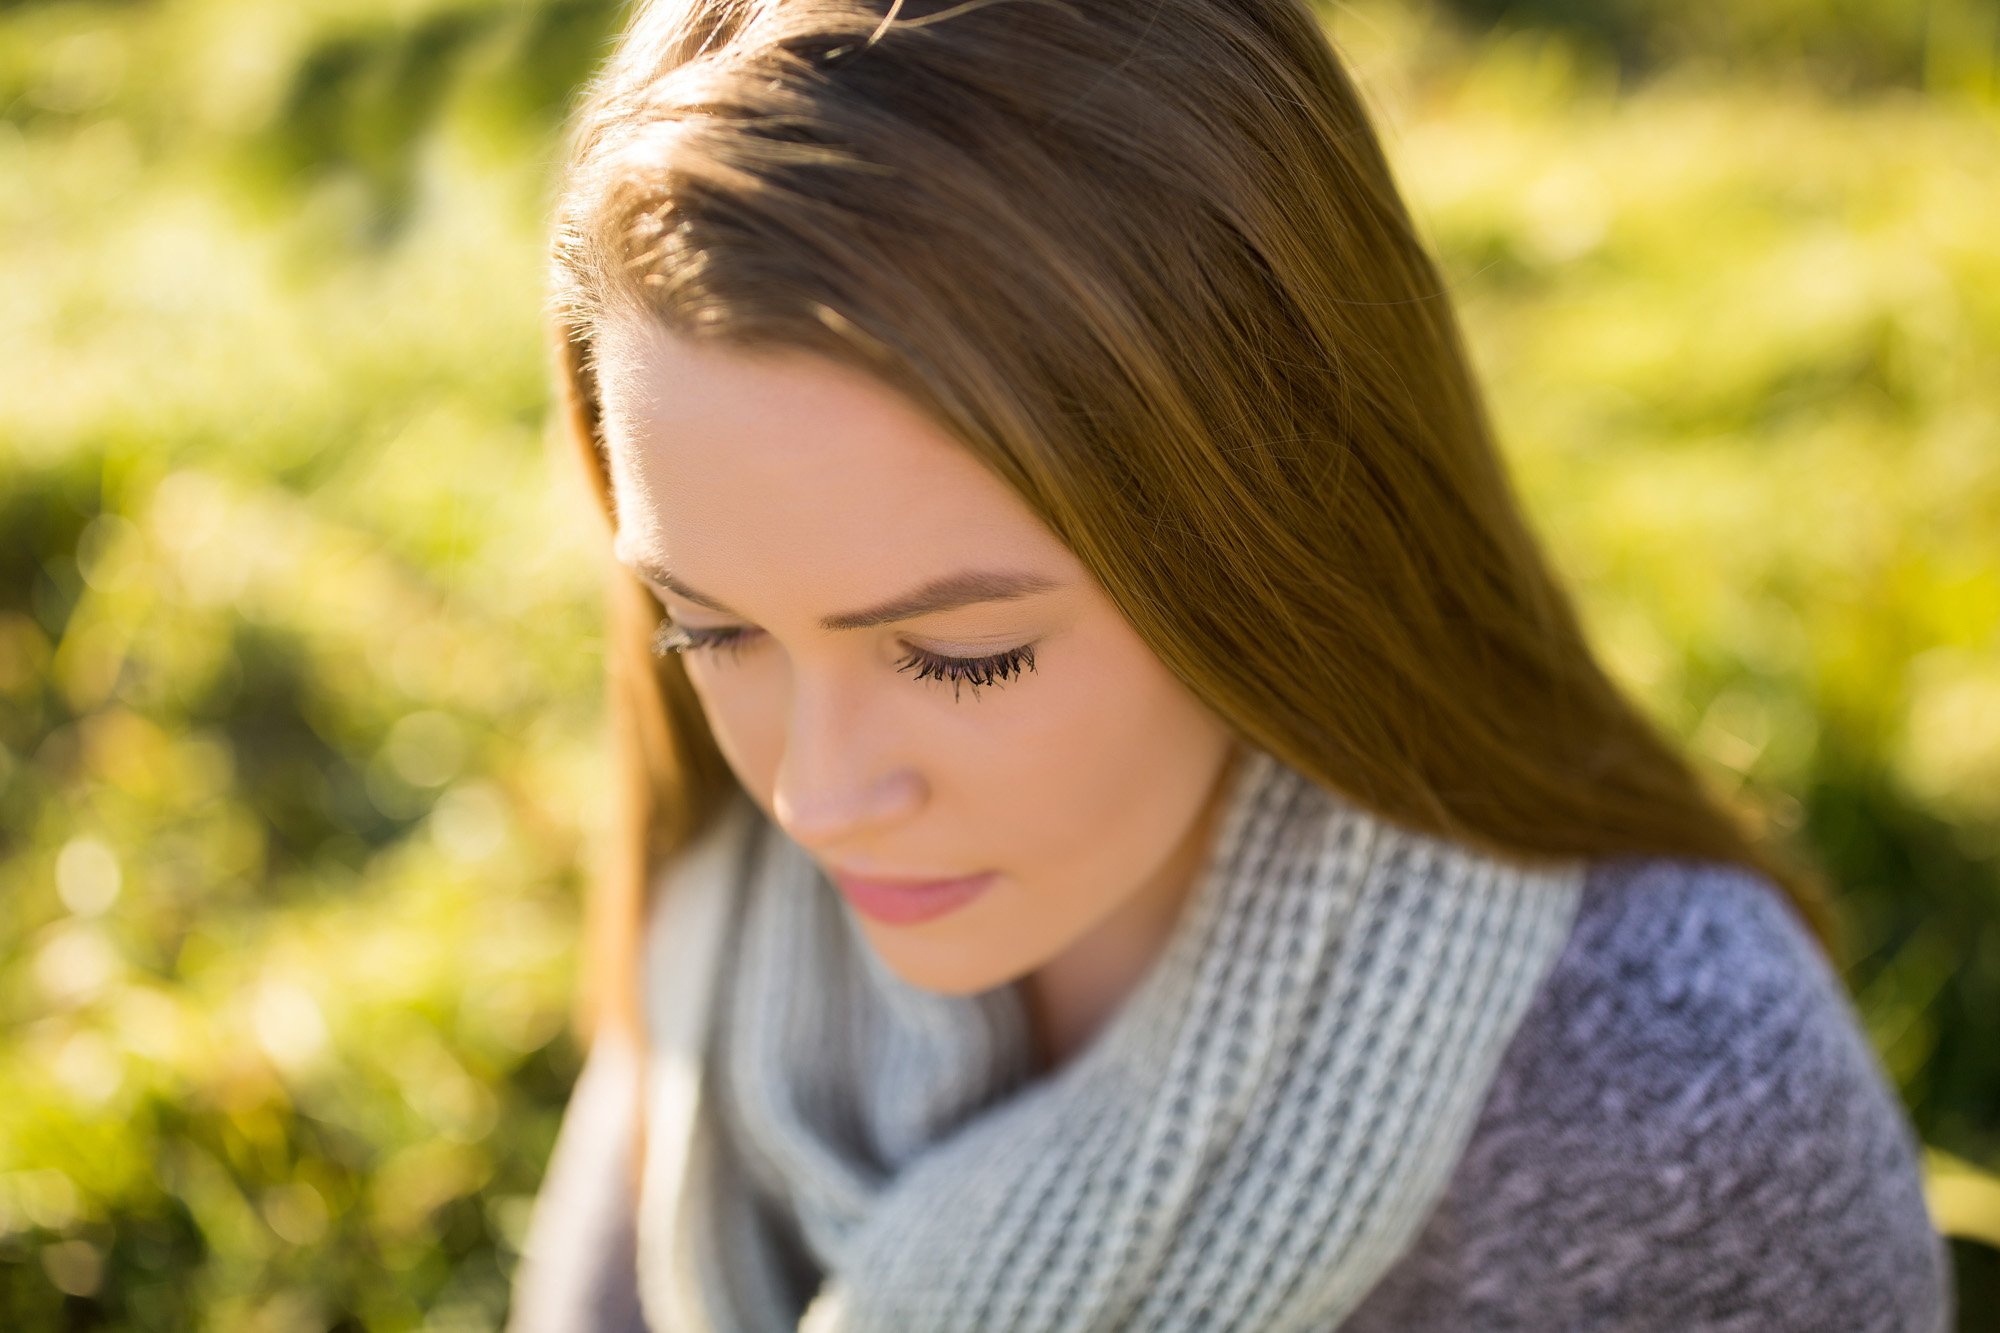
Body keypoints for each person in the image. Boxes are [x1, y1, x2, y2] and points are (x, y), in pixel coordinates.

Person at [507, 0, 1953, 1328]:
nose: (815, 797)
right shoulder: (744, 942)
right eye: (713, 627)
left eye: (962, 654)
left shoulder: (1668, 1108)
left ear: (1273, 542)